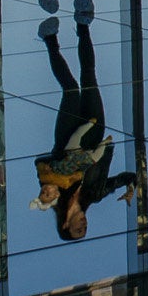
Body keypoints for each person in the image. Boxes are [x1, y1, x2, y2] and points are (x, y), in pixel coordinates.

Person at [28, 15, 121, 243]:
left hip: (67, 139)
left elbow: (43, 168)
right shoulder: (94, 195)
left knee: (71, 89)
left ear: (65, 225)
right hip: (94, 135)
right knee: (90, 77)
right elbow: (120, 179)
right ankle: (83, 27)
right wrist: (135, 185)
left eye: (78, 229)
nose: (84, 225)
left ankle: (50, 40)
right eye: (85, 229)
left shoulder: (53, 199)